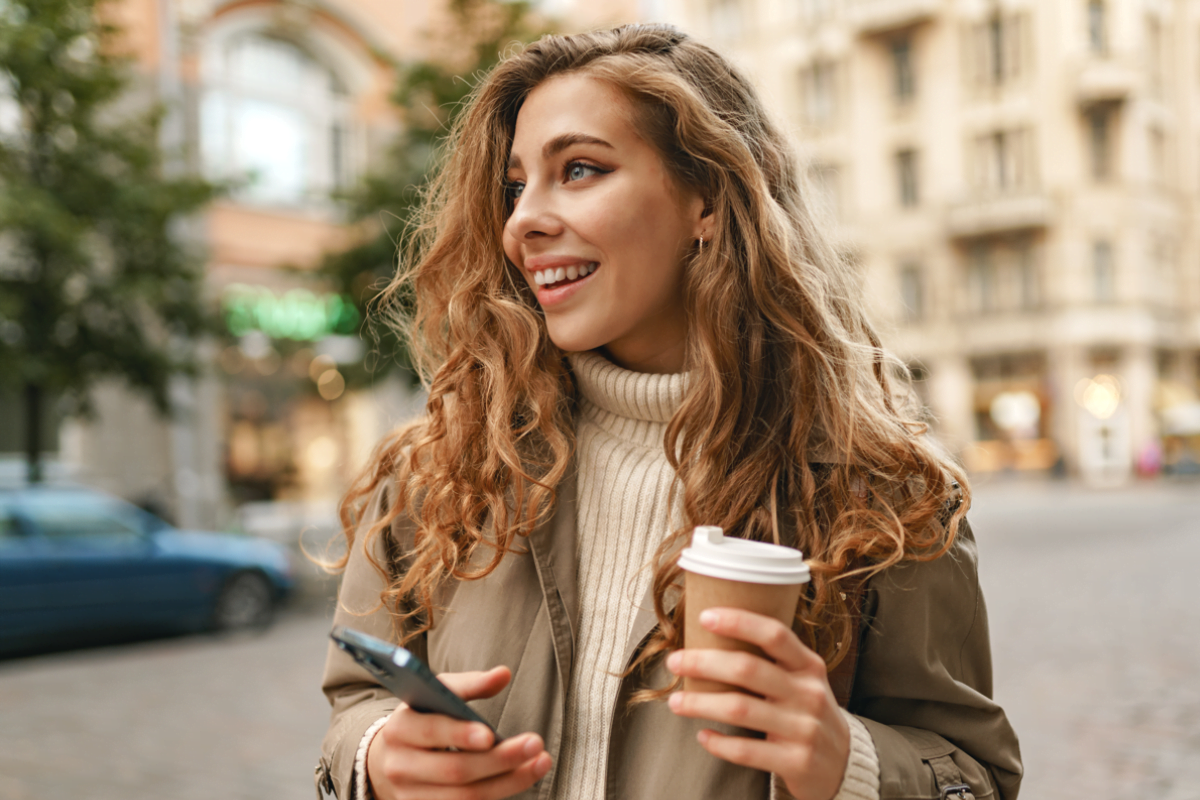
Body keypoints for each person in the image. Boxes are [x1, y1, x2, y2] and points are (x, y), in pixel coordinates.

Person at [317, 23, 1022, 800]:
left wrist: (846, 760)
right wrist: (378, 755)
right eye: (516, 186)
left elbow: (973, 774)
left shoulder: (880, 494)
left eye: (579, 169)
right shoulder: (437, 468)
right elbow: (356, 702)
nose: (522, 222)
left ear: (707, 200)